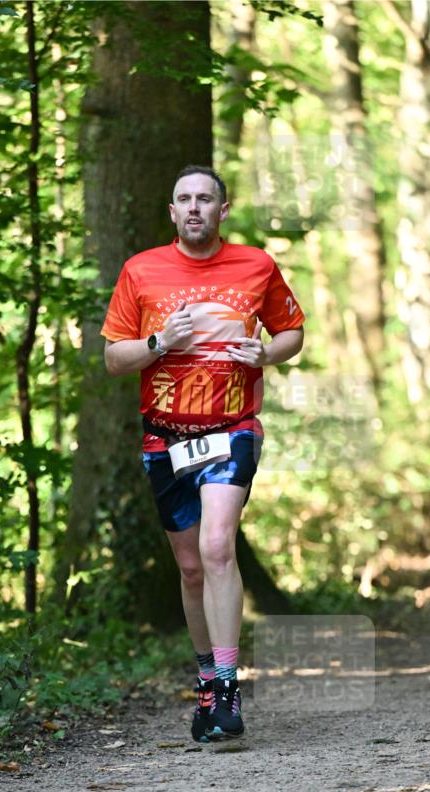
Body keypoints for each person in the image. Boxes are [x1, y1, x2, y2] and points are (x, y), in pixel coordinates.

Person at [101, 165, 305, 742]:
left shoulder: (256, 265)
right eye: (185, 199)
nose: (194, 207)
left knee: (218, 547)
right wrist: (159, 342)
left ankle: (229, 685)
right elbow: (114, 359)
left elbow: (292, 331)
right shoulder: (141, 270)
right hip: (165, 438)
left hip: (232, 429)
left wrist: (265, 354)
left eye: (205, 199)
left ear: (223, 209)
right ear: (172, 212)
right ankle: (207, 682)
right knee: (191, 569)